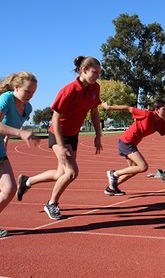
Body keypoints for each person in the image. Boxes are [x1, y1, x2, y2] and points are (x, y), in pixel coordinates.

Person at [16, 56, 103, 220]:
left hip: (73, 133)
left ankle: (27, 181)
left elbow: (95, 112)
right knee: (71, 173)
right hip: (58, 133)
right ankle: (52, 203)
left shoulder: (94, 88)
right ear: (84, 70)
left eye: (99, 72)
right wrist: (61, 145)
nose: (97, 75)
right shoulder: (68, 90)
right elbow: (55, 118)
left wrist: (98, 135)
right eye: (94, 72)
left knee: (59, 174)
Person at [102, 100, 165, 195]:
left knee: (133, 169)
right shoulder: (146, 114)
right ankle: (114, 174)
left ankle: (111, 188)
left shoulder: (161, 123)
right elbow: (128, 108)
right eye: (164, 109)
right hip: (126, 141)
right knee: (143, 166)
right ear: (156, 109)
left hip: (132, 144)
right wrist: (109, 107)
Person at [0, 72, 39, 237]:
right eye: (27, 91)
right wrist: (20, 133)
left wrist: (6, 146)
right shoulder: (6, 99)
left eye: (33, 92)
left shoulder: (27, 107)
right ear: (16, 87)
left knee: (10, 189)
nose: (30, 95)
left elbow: (6, 131)